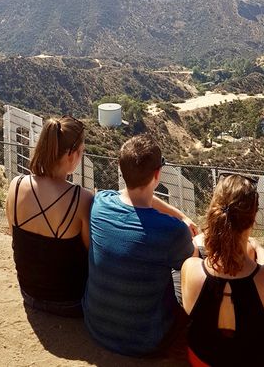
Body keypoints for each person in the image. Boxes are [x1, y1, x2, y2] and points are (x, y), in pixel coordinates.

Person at [83, 134, 198, 356]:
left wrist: (182, 217)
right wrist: (186, 227)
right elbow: (191, 265)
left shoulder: (100, 202)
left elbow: (133, 195)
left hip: (96, 327)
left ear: (120, 168)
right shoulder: (171, 230)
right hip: (148, 341)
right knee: (195, 263)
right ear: (157, 174)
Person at [181, 173, 264, 367]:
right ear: (253, 220)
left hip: (203, 360)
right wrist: (259, 248)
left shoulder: (190, 268)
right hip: (263, 361)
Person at [5, 116, 93, 317]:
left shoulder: (16, 185)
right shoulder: (82, 199)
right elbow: (91, 253)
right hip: (70, 301)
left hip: (29, 293)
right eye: (81, 152)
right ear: (71, 155)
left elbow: (14, 234)